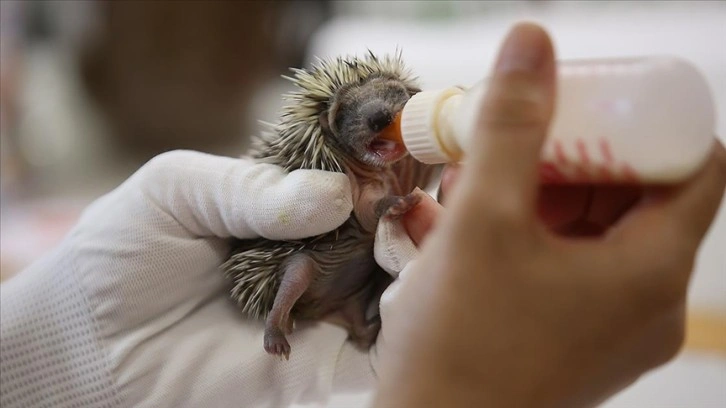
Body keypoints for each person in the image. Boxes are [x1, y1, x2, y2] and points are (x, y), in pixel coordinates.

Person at [1, 22, 724, 408]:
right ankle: (295, 316)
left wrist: (58, 362)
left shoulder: (396, 168)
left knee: (385, 284)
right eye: (371, 138)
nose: (386, 146)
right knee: (309, 258)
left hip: (356, 295)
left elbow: (399, 194)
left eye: (393, 134)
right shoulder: (321, 178)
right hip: (310, 273)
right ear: (338, 134)